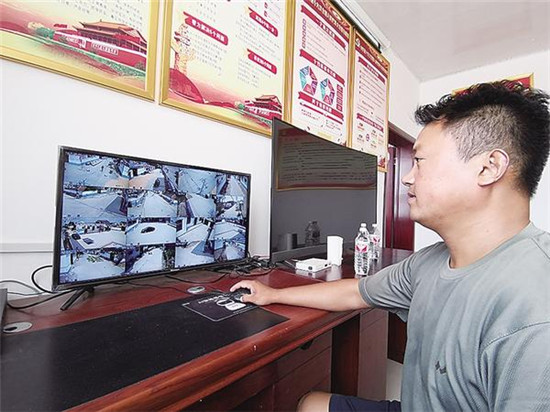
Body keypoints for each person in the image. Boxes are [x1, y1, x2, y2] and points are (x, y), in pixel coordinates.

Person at [231, 81, 550, 412]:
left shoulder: (536, 309)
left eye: (420, 161)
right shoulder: (427, 263)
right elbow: (355, 292)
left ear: (488, 167)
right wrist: (273, 294)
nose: (407, 178)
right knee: (311, 404)